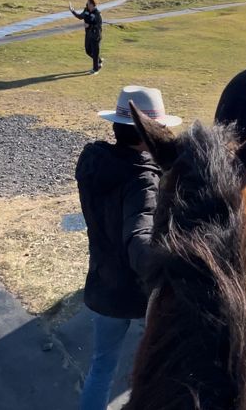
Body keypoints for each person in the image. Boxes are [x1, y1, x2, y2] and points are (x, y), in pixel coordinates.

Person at [76, 85, 182, 410]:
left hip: (102, 285)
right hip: (137, 295)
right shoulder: (142, 181)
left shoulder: (93, 161)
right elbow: (139, 242)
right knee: (151, 370)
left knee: (101, 367)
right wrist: (176, 266)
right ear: (149, 134)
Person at [70, 0, 103, 74]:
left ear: (92, 4)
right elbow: (80, 16)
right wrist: (72, 11)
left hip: (96, 35)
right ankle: (99, 60)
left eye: (88, 3)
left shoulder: (97, 14)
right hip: (88, 34)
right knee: (88, 51)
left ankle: (95, 69)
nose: (87, 4)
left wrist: (90, 26)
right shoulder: (86, 10)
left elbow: (99, 26)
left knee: (95, 52)